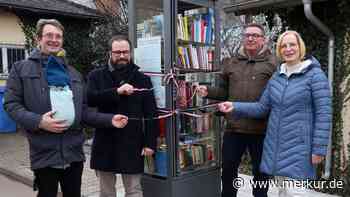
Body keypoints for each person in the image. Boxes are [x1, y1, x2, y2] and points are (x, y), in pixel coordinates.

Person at [3, 19, 128, 197]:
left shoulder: (73, 73)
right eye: (49, 35)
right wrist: (39, 121)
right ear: (39, 39)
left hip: (73, 152)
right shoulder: (21, 69)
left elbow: (83, 112)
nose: (54, 40)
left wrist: (109, 119)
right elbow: (11, 104)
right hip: (44, 151)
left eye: (58, 36)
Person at [218, 30, 332, 196]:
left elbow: (324, 113)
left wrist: (319, 149)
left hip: (299, 148)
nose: (288, 49)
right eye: (284, 46)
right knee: (282, 192)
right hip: (276, 148)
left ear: (300, 47)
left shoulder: (314, 75)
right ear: (279, 50)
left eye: (292, 44)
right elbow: (261, 108)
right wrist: (234, 106)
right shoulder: (277, 76)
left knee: (296, 193)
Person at [197, 23, 276, 197]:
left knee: (261, 173)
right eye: (247, 35)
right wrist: (208, 91)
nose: (251, 38)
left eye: (255, 35)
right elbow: (224, 92)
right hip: (234, 127)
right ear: (243, 38)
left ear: (263, 39)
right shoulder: (231, 63)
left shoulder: (273, 64)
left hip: (262, 130)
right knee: (229, 171)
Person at [87, 34, 158, 197]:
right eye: (117, 52)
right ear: (110, 53)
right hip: (105, 141)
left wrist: (150, 143)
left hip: (133, 143)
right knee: (106, 192)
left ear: (130, 53)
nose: (122, 56)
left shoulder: (142, 79)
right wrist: (116, 92)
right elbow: (90, 99)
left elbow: (151, 113)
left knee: (134, 191)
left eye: (125, 52)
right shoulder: (96, 76)